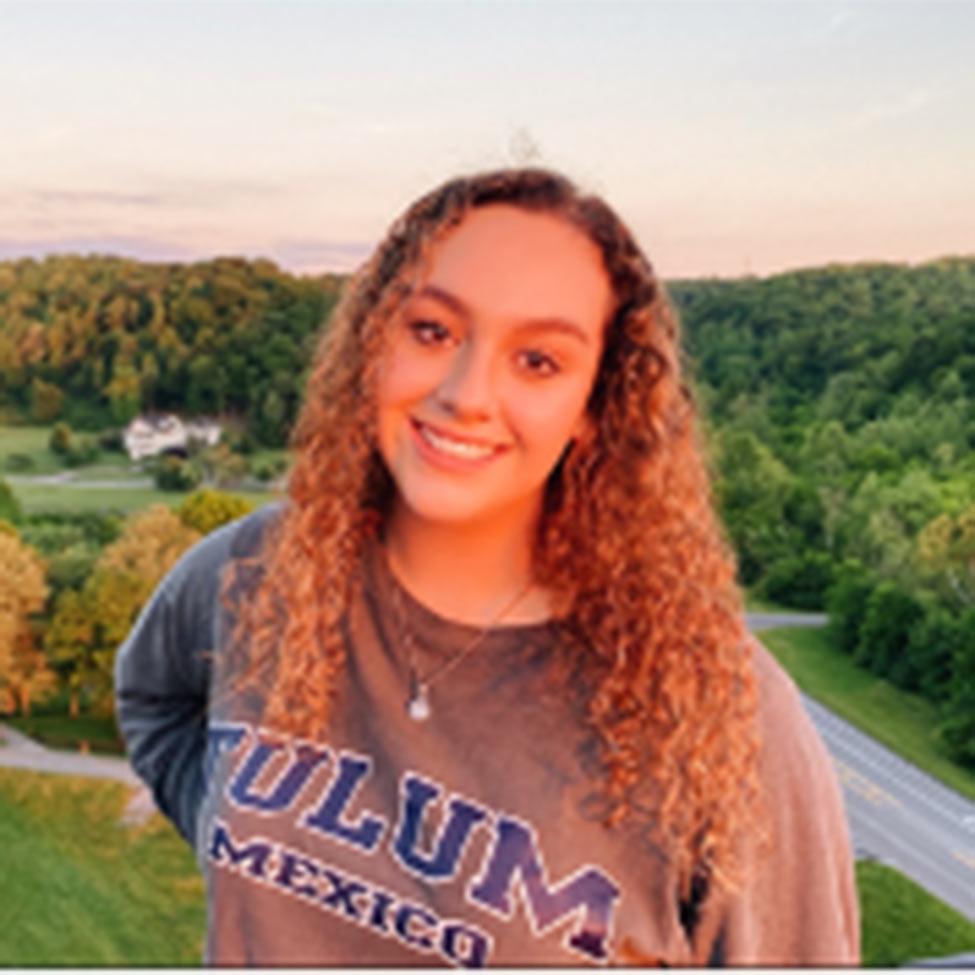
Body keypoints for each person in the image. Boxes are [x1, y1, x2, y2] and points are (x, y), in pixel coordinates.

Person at [115, 167, 858, 966]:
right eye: (432, 331)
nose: (467, 394)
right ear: (374, 342)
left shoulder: (714, 707)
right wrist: (236, 840)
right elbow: (154, 701)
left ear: (594, 407)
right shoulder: (256, 571)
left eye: (537, 360)